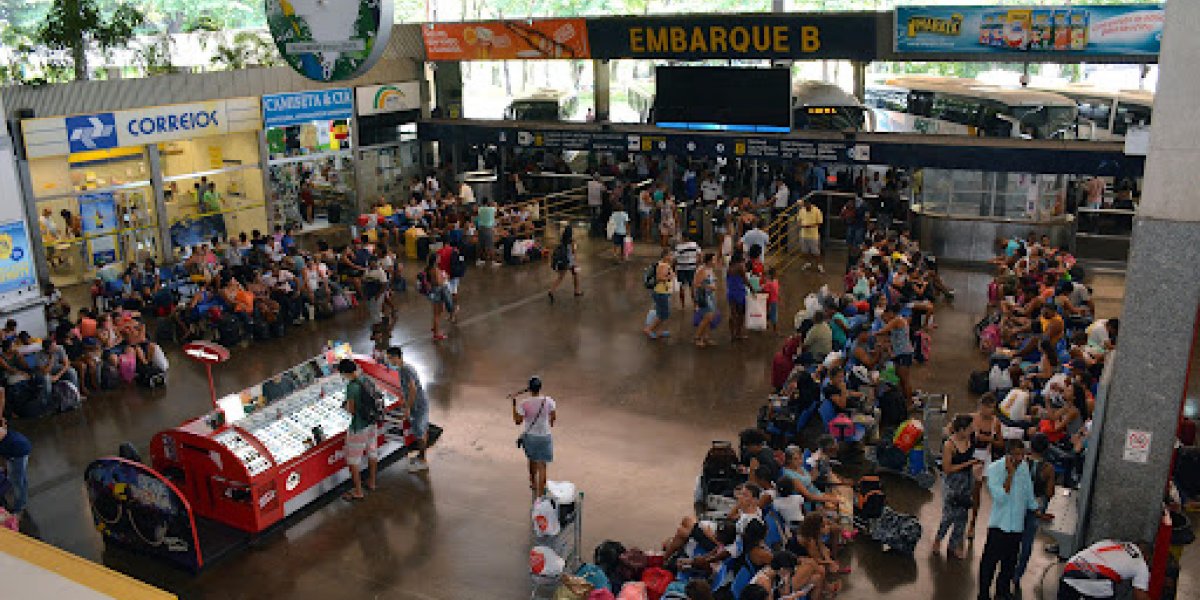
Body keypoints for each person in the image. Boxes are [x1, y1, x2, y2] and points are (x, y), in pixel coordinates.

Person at [978, 439, 1039, 600]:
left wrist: (1035, 508)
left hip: (1016, 526)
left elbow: (1028, 491)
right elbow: (1000, 498)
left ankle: (1002, 592)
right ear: (1008, 454)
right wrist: (1010, 474)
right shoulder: (994, 469)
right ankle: (983, 593)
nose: (1020, 459)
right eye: (1016, 455)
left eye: (1022, 455)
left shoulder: (1024, 467)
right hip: (999, 525)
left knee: (1009, 563)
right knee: (989, 563)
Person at [936, 414, 982, 559]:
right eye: (969, 428)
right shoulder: (949, 445)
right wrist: (968, 464)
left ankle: (954, 544)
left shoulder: (971, 438)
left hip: (967, 480)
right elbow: (947, 469)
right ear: (961, 430)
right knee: (949, 515)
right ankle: (938, 538)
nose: (972, 430)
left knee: (962, 515)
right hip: (953, 482)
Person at [1014, 433, 1056, 587]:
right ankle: (1018, 574)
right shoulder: (1048, 468)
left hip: (1018, 504)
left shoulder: (1021, 462)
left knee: (1013, 537)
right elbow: (1050, 493)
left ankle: (1007, 568)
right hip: (1035, 507)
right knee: (1027, 541)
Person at [383, 347, 429, 473]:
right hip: (418, 403)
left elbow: (413, 389)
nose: (388, 361)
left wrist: (408, 407)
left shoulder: (405, 370)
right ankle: (421, 456)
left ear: (396, 357)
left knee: (419, 433)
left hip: (417, 405)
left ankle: (423, 461)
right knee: (421, 431)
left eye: (389, 358)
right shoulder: (404, 368)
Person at [338, 359, 378, 501]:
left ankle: (358, 491)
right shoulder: (365, 379)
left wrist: (345, 407)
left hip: (359, 427)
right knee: (372, 452)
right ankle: (372, 482)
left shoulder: (351, 387)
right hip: (372, 423)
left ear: (344, 373)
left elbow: (352, 410)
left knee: (353, 460)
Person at [1057, 540, 1150, 600]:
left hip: (1071, 567)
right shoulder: (1141, 563)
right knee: (1106, 589)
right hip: (1095, 577)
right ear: (1147, 555)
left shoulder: (1111, 542)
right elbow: (1139, 595)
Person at [512, 376, 555, 498]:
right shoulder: (548, 401)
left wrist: (514, 406)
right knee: (543, 466)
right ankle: (540, 495)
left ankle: (533, 482)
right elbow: (553, 417)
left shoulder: (524, 404)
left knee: (532, 460)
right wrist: (550, 422)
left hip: (530, 437)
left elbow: (517, 421)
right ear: (540, 387)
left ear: (530, 389)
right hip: (545, 436)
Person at [644, 251, 675, 340]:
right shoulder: (663, 265)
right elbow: (660, 278)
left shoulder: (665, 264)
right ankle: (649, 329)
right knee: (663, 314)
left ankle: (658, 331)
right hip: (661, 293)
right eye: (670, 255)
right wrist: (670, 277)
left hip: (663, 292)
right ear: (665, 256)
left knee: (661, 313)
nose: (672, 257)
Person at [422, 253, 453, 341]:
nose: (440, 259)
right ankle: (436, 333)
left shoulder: (429, 269)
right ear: (435, 260)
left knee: (438, 311)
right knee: (437, 314)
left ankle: (435, 328)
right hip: (438, 291)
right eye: (438, 258)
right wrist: (444, 278)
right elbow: (438, 282)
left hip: (434, 292)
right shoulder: (435, 269)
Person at [548, 226, 581, 303]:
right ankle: (577, 291)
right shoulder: (572, 242)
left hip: (563, 261)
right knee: (575, 275)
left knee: (560, 278)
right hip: (570, 262)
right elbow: (574, 252)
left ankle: (551, 290)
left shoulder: (562, 240)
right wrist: (576, 262)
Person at [693, 253, 719, 348]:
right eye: (714, 260)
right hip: (704, 297)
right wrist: (709, 286)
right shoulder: (702, 270)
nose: (715, 262)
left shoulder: (709, 269)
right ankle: (698, 337)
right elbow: (696, 284)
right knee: (707, 317)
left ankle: (705, 337)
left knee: (709, 318)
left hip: (710, 296)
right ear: (709, 261)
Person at [796, 196, 824, 272]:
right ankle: (808, 263)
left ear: (810, 204)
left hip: (813, 235)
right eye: (804, 205)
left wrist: (809, 226)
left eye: (806, 204)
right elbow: (798, 220)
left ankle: (819, 265)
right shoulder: (802, 210)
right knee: (804, 251)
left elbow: (819, 223)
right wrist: (799, 224)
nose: (805, 206)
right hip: (803, 234)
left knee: (816, 252)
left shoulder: (817, 211)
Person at [727, 248, 749, 341]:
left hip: (731, 292)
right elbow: (745, 280)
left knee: (732, 313)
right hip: (739, 293)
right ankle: (738, 333)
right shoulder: (740, 266)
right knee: (740, 314)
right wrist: (753, 289)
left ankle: (732, 335)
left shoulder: (730, 267)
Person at [674, 236, 701, 309]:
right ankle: (695, 305)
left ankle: (683, 305)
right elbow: (699, 255)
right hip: (691, 268)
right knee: (692, 286)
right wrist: (697, 264)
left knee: (682, 286)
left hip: (681, 268)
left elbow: (675, 258)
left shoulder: (678, 246)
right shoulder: (694, 245)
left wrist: (674, 268)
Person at [475, 199, 499, 267]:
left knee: (481, 244)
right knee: (490, 245)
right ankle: (493, 261)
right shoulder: (491, 209)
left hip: (480, 228)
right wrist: (494, 205)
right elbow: (496, 212)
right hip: (488, 228)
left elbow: (476, 212)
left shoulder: (480, 209)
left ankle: (479, 260)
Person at [762, 268, 781, 334]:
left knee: (769, 313)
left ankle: (767, 324)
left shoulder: (769, 283)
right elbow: (776, 291)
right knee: (773, 314)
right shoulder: (775, 282)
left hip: (770, 300)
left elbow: (765, 290)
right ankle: (775, 329)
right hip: (773, 300)